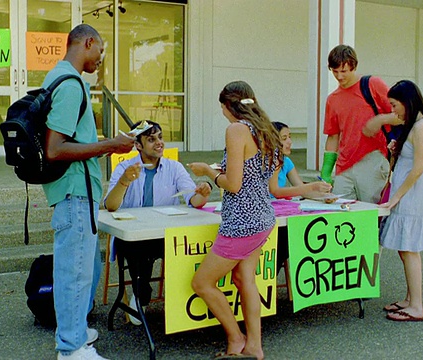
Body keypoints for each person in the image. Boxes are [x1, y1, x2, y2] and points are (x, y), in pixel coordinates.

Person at [43, 24, 135, 360]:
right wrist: (110, 145)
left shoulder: (58, 77)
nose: (100, 60)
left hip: (76, 191)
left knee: (83, 269)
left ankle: (76, 333)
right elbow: (55, 148)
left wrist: (105, 146)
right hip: (74, 192)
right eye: (100, 52)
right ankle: (71, 348)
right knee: (74, 273)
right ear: (88, 42)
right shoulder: (71, 85)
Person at [188, 81, 281, 360]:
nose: (222, 113)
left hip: (241, 222)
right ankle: (254, 346)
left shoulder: (236, 130)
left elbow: (234, 184)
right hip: (262, 216)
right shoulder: (265, 130)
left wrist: (208, 172)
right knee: (244, 279)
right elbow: (259, 173)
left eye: (222, 107)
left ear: (230, 106)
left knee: (202, 283)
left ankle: (236, 337)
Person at [103, 120, 211, 325]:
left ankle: (186, 296)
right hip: (134, 236)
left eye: (160, 137)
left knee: (191, 243)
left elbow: (193, 200)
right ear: (138, 145)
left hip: (166, 233)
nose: (159, 143)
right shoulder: (126, 167)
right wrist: (124, 181)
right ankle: (141, 295)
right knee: (138, 248)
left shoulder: (174, 167)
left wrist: (203, 192)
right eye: (151, 139)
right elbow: (110, 206)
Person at [379, 80, 423, 322]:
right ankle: (410, 299)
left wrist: (396, 198)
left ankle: (417, 306)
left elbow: (417, 170)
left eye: (395, 105)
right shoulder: (413, 125)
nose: (394, 111)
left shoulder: (421, 126)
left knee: (410, 249)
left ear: (406, 101)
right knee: (405, 248)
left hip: (412, 195)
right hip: (406, 193)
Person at [320, 44, 403, 203]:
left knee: (371, 215)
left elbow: (402, 115)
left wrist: (380, 120)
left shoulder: (372, 84)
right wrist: (326, 173)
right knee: (340, 213)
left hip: (372, 158)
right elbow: (333, 137)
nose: (339, 76)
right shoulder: (332, 99)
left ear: (354, 66)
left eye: (343, 71)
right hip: (344, 165)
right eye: (334, 71)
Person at [269, 121, 332, 273]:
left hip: (281, 214)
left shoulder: (286, 161)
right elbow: (276, 191)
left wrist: (323, 195)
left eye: (289, 137)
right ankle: (269, 281)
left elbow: (300, 189)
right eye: (284, 138)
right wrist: (311, 186)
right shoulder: (269, 161)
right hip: (267, 215)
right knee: (286, 238)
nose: (290, 142)